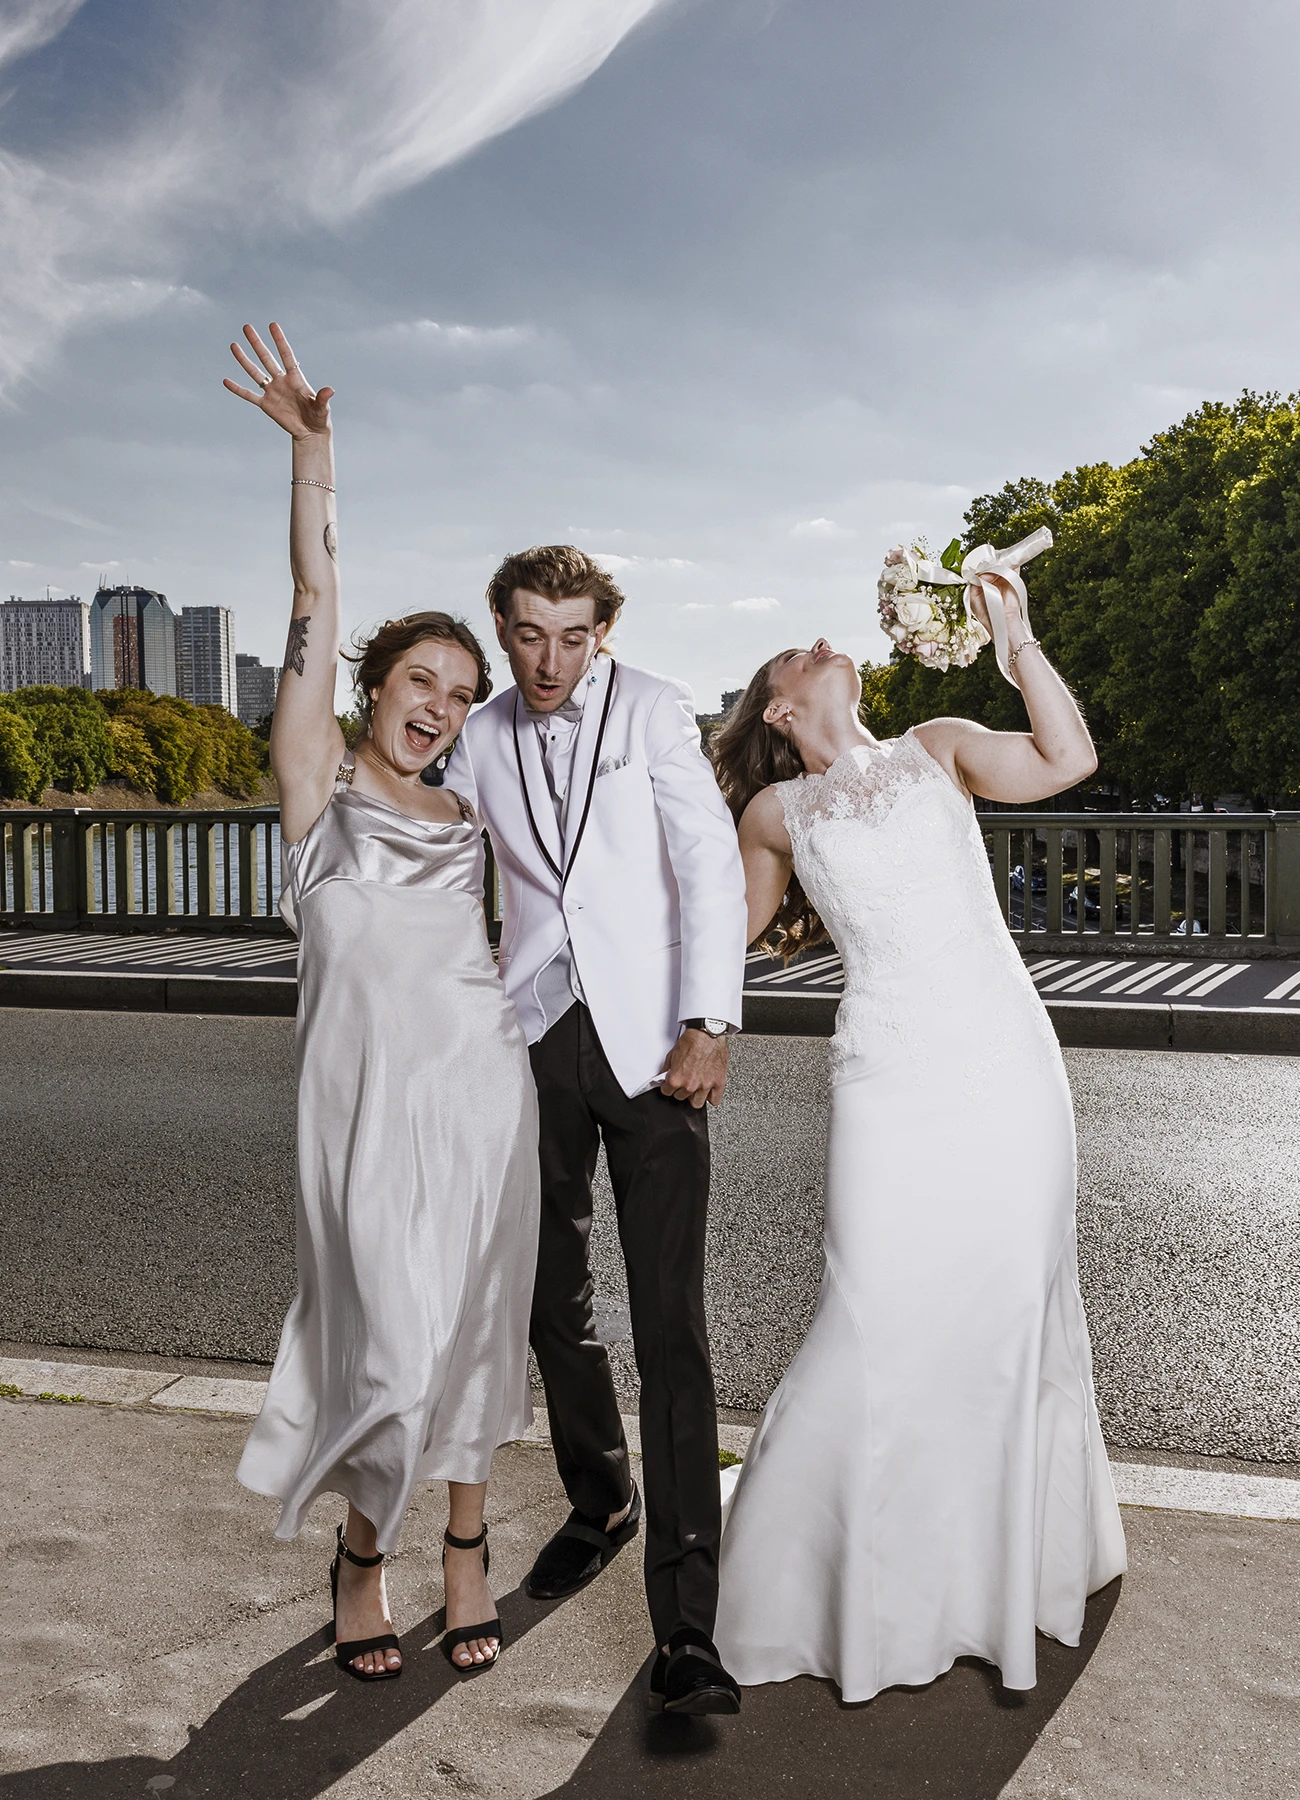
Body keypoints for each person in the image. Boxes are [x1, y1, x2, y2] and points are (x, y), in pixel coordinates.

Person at [709, 588, 1127, 1704]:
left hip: (1006, 1064)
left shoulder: (938, 747)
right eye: (794, 653)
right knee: (874, 1309)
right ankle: (833, 1588)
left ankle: (998, 1574)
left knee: (1006, 1308)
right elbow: (718, 940)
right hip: (889, 1080)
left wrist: (1018, 635)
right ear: (781, 708)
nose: (821, 641)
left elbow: (1068, 755)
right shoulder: (777, 817)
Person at [224, 323, 540, 1683]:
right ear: (373, 687)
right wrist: (315, 457)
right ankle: (365, 1551)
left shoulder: (471, 813)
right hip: (358, 1114)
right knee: (384, 1336)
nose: (442, 708)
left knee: (475, 1327)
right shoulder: (321, 789)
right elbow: (316, 587)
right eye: (423, 682)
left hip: (484, 1094)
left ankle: (465, 1549)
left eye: (463, 697)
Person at [442, 546, 749, 1714]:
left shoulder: (659, 712)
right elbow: (444, 856)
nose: (551, 659)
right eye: (529, 635)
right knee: (541, 1297)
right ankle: (599, 1495)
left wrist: (709, 1021)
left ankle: (685, 1628)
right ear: (503, 630)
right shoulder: (477, 736)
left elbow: (706, 868)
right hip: (527, 1036)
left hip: (656, 1047)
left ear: (603, 632)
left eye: (574, 636)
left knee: (672, 1325)